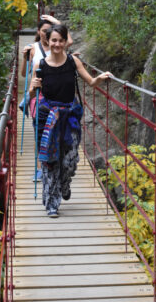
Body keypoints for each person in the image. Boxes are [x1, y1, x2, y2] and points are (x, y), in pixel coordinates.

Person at [29, 24, 111, 217]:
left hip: (70, 116)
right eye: (53, 40)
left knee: (70, 160)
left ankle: (65, 183)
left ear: (66, 42)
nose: (57, 44)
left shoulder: (73, 62)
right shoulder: (39, 65)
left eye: (60, 40)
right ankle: (52, 204)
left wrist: (101, 77)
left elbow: (90, 82)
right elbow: (32, 94)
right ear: (48, 41)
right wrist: (33, 87)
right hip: (48, 116)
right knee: (50, 161)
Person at [20, 15, 73, 182]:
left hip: (57, 96)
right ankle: (40, 167)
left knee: (55, 133)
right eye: (43, 31)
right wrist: (24, 57)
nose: (45, 34)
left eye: (48, 31)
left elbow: (67, 40)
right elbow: (23, 74)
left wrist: (56, 21)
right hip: (39, 95)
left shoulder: (57, 46)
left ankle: (56, 164)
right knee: (41, 131)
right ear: (38, 32)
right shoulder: (32, 48)